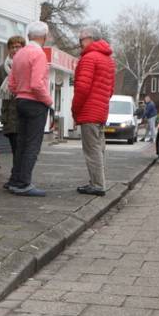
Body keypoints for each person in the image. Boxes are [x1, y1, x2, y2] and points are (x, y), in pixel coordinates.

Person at [5, 22, 54, 196]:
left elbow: (11, 84)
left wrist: (20, 92)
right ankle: (24, 183)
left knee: (21, 143)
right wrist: (49, 102)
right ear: (44, 36)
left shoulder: (19, 54)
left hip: (20, 101)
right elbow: (37, 84)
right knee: (33, 144)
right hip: (35, 103)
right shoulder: (39, 54)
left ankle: (15, 181)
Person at [70, 25, 117, 196]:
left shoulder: (89, 58)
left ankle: (98, 185)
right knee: (99, 148)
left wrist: (75, 111)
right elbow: (110, 90)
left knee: (92, 150)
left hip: (89, 112)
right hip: (101, 112)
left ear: (90, 39)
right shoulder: (108, 60)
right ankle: (97, 182)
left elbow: (81, 88)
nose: (79, 43)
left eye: (81, 40)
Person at [0, 35, 26, 172]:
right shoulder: (3, 69)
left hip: (22, 115)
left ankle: (17, 177)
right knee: (15, 148)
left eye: (18, 47)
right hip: (9, 116)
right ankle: (17, 177)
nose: (14, 50)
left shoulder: (26, 66)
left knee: (21, 150)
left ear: (23, 48)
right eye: (12, 47)